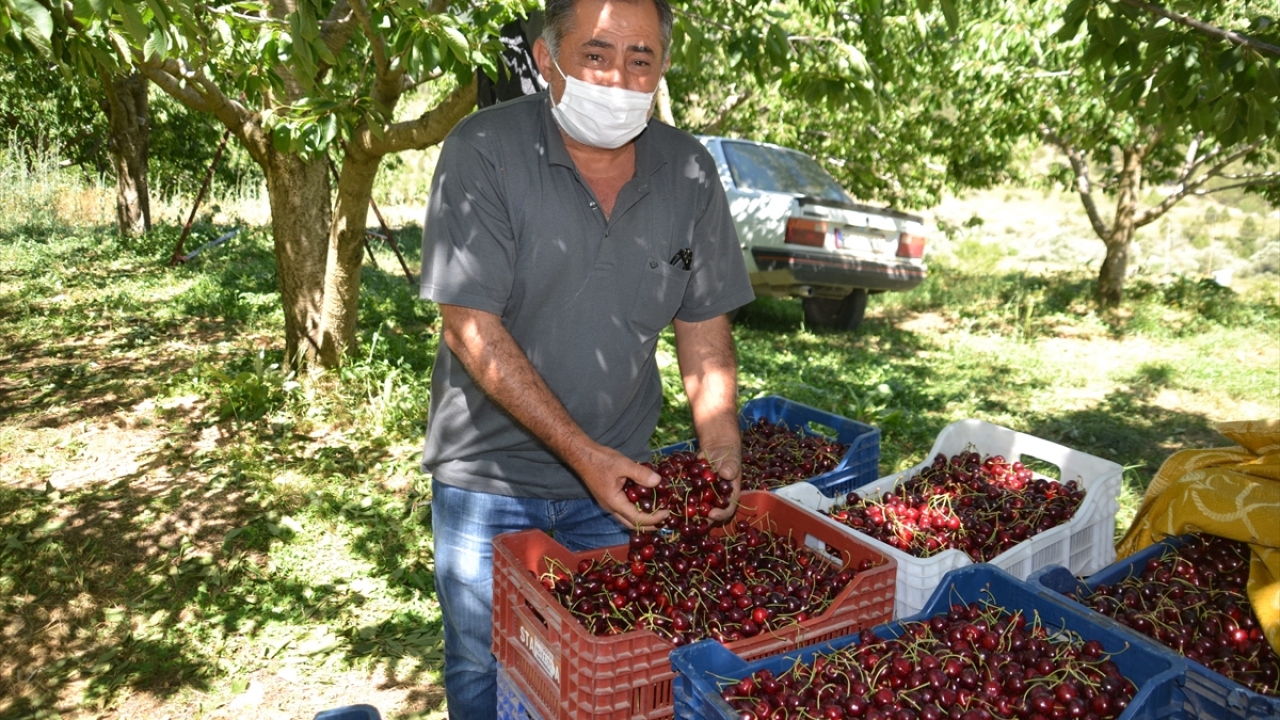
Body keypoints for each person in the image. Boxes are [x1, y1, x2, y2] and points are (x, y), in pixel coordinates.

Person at [417, 0, 755, 717]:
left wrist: (721, 442)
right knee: (485, 656)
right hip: (490, 480)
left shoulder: (688, 173)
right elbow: (469, 325)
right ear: (546, 60)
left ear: (662, 69)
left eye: (641, 60)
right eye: (595, 54)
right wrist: (581, 454)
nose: (618, 78)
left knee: (616, 666)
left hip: (623, 481)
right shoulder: (484, 150)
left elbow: (701, 321)